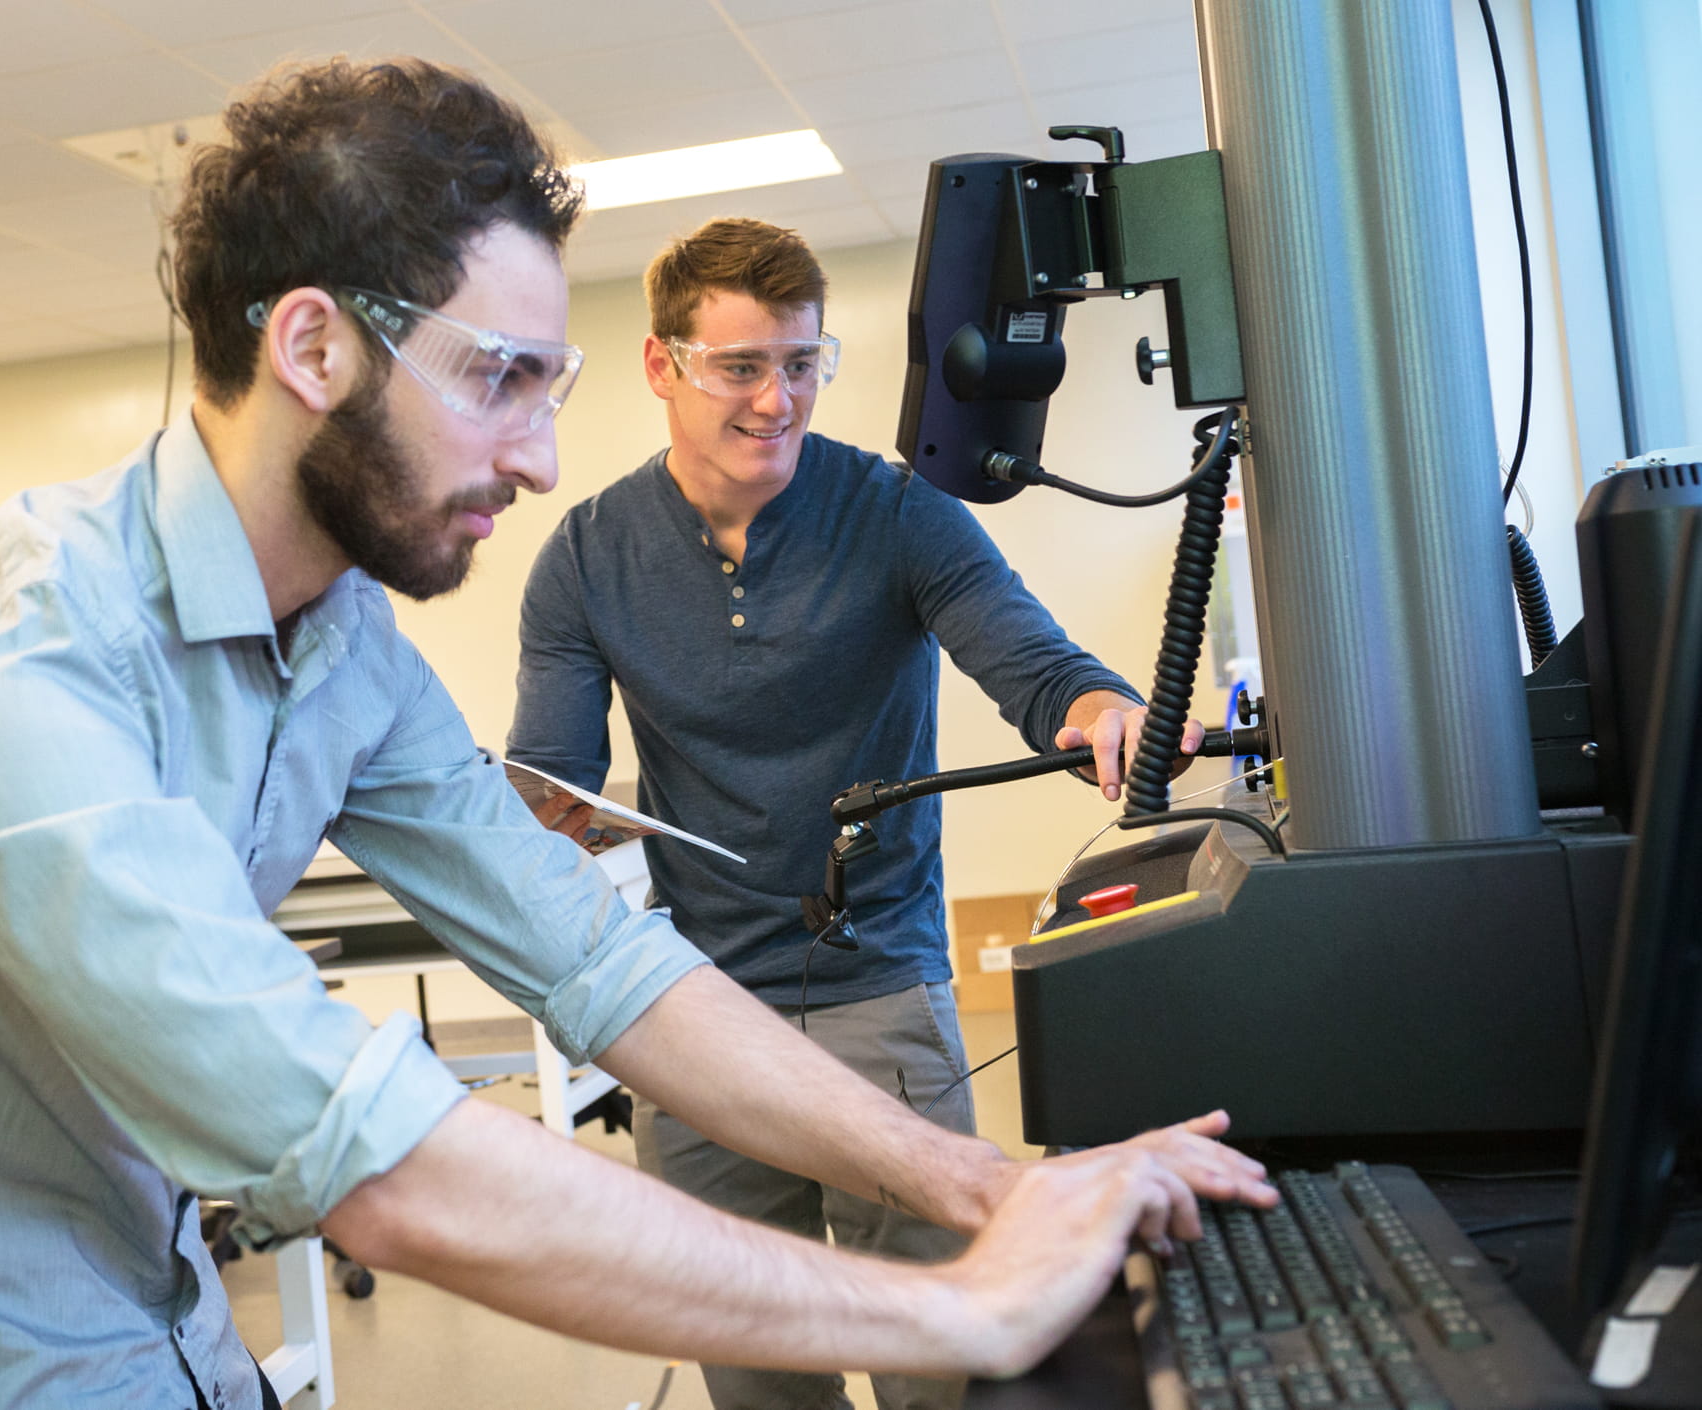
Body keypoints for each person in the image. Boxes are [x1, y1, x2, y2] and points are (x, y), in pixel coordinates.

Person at [0, 60, 1265, 1410]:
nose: (538, 453)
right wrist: (960, 1312)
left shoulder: (341, 647)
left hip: (180, 1345)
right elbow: (371, 1160)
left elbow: (592, 953)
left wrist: (980, 1191)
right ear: (314, 344)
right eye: (500, 377)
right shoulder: (1, 682)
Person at [508, 218, 1207, 1410]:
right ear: (660, 365)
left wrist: (1098, 707)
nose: (775, 400)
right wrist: (548, 827)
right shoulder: (583, 556)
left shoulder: (896, 513)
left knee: (938, 1356)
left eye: (801, 362)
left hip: (876, 983)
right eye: (739, 367)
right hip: (691, 1006)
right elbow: (553, 771)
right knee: (752, 1368)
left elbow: (1031, 660)